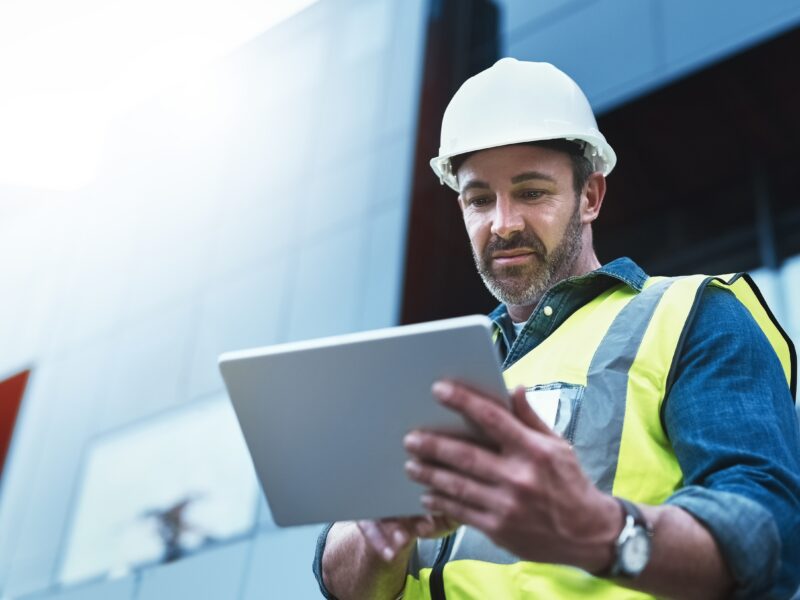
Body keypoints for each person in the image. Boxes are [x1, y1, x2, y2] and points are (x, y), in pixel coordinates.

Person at [312, 58, 800, 599]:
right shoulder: (431, 372)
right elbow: (341, 582)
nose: (503, 223)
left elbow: (770, 539)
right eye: (479, 200)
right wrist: (381, 531)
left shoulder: (690, 314)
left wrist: (597, 529)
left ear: (589, 197)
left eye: (532, 192)